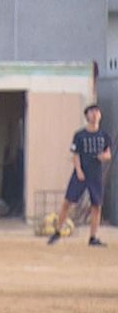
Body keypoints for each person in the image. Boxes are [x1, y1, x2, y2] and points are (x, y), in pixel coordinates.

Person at [48, 104, 112, 247]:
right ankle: (57, 231)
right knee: (68, 202)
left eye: (97, 112)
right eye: (91, 112)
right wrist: (78, 170)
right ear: (87, 116)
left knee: (97, 205)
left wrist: (104, 156)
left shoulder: (104, 135)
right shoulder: (79, 135)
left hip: (96, 173)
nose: (95, 114)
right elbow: (75, 154)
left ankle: (93, 237)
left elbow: (108, 153)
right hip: (81, 172)